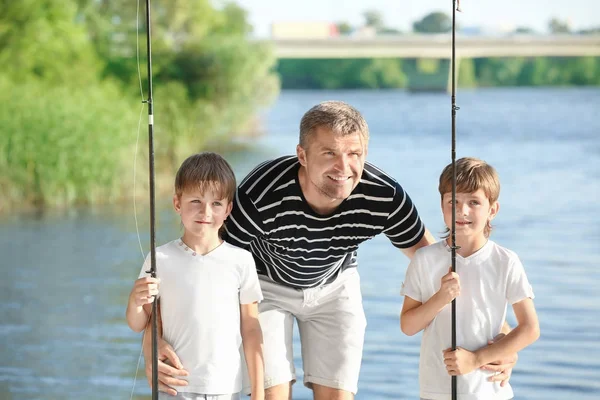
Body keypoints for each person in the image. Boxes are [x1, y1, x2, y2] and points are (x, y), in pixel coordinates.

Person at [145, 102, 517, 400]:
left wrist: (497, 334)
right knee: (273, 393)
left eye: (354, 154)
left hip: (335, 284)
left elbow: (437, 261)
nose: (344, 168)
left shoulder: (383, 195)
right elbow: (209, 269)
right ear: (302, 155)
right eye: (329, 154)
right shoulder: (260, 194)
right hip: (266, 286)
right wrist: (152, 337)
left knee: (337, 395)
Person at [127, 152, 265, 400]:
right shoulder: (159, 259)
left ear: (228, 210)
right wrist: (135, 301)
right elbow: (140, 323)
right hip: (174, 386)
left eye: (216, 204)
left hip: (226, 387)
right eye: (195, 202)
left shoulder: (241, 261)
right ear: (177, 204)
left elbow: (251, 328)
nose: (206, 212)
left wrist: (258, 391)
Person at [400, 157, 540, 400]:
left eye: (474, 202)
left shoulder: (506, 261)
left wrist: (476, 359)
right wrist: (440, 298)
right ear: (442, 205)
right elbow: (408, 326)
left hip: (489, 391)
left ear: (492, 210)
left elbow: (529, 329)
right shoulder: (424, 259)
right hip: (435, 392)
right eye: (453, 201)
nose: (462, 211)